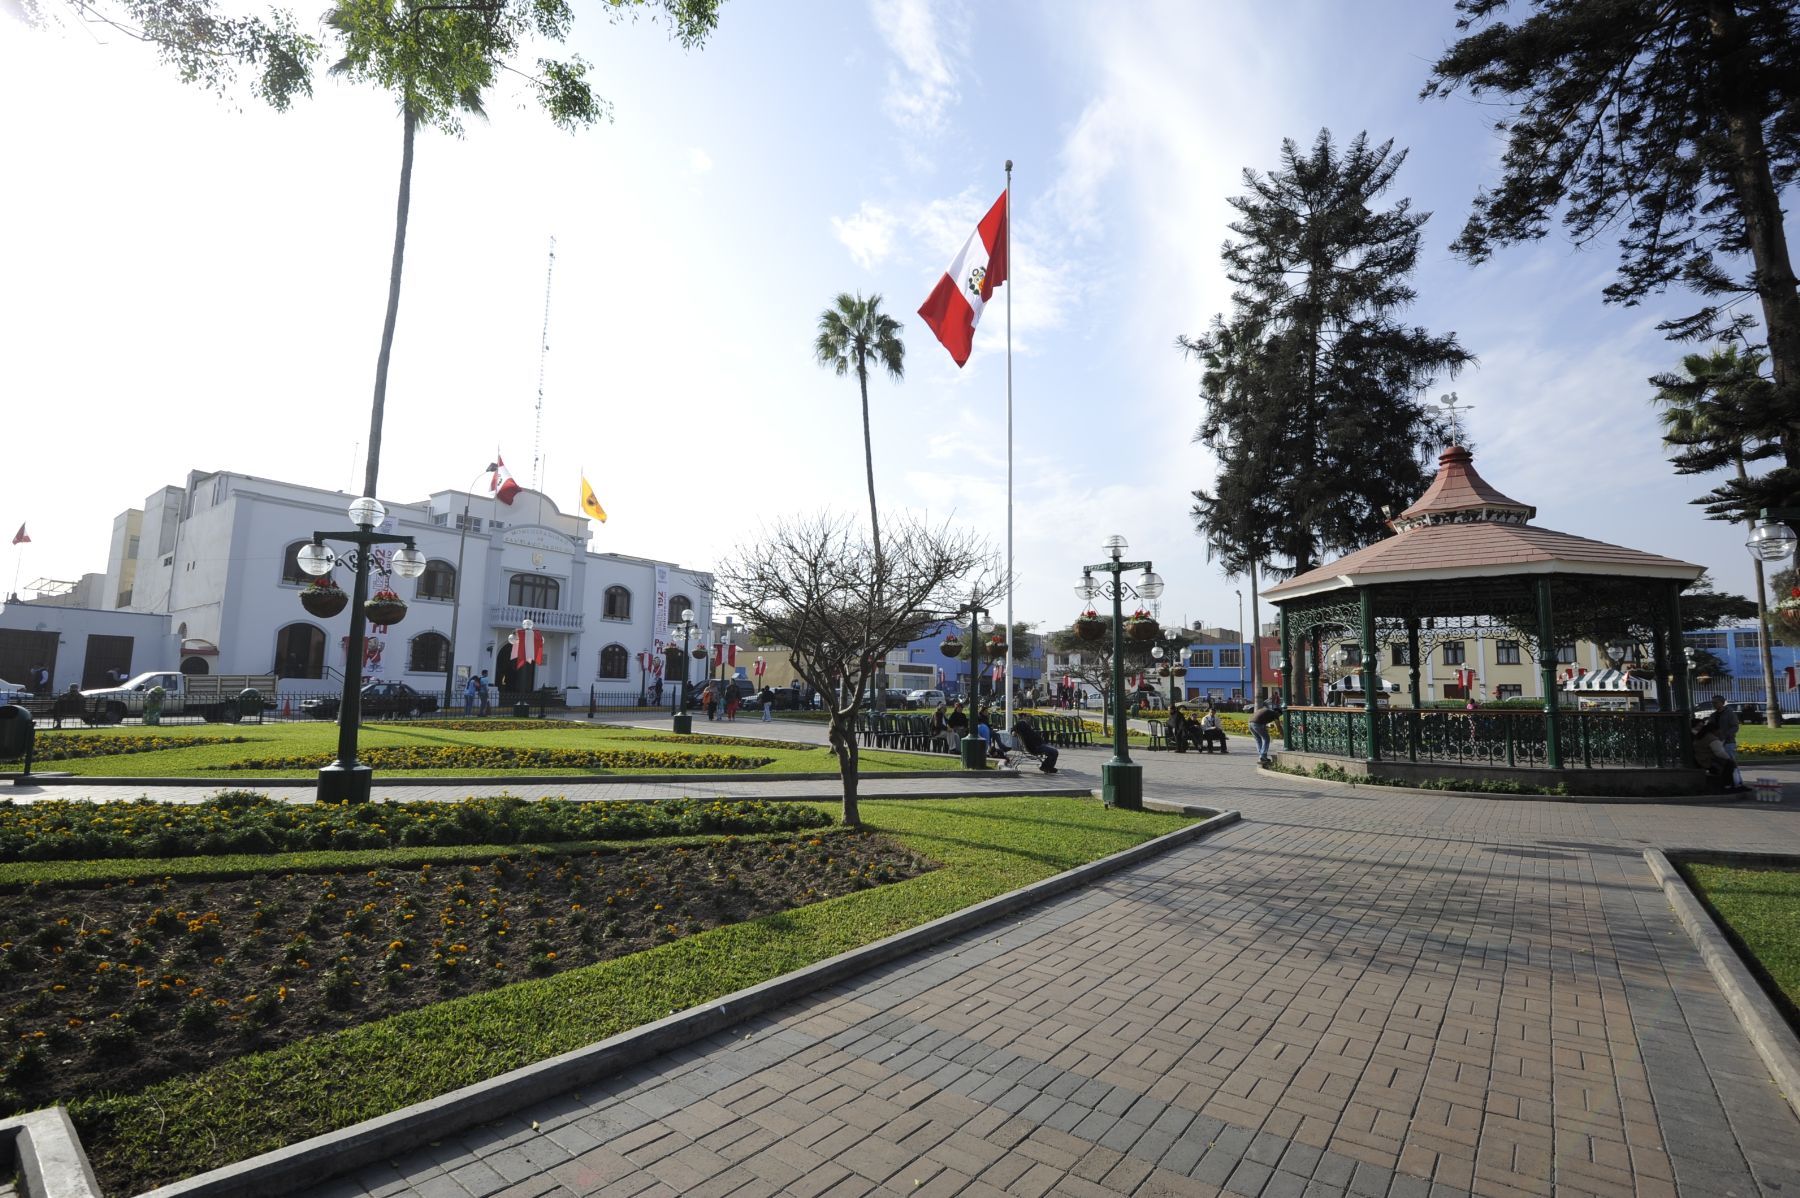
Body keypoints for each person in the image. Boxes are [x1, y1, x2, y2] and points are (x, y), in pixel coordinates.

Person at [1707, 693, 1743, 788]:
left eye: (1716, 702)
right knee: (1720, 763)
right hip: (1716, 741)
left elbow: (1735, 727)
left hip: (1728, 742)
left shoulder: (1729, 714)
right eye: (1712, 702)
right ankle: (1724, 782)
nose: (1713, 704)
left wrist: (1725, 735)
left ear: (1722, 703)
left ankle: (1737, 781)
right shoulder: (1713, 715)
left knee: (1731, 762)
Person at [1249, 698, 1278, 763]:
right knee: (1266, 739)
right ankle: (1262, 756)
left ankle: (1262, 756)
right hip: (1257, 723)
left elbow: (1263, 721)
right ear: (1278, 713)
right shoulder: (1274, 714)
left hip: (1250, 723)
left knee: (1258, 739)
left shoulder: (1267, 711)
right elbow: (1278, 725)